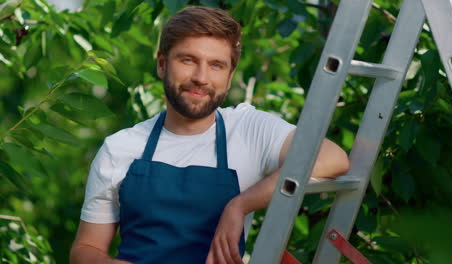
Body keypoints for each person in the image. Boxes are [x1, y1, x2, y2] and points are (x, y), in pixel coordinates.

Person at [70, 6, 349, 264]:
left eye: (216, 65)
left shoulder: (247, 129)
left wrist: (239, 205)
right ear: (162, 64)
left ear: (229, 77)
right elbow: (85, 250)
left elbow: (331, 158)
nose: (201, 77)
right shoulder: (120, 148)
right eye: (188, 60)